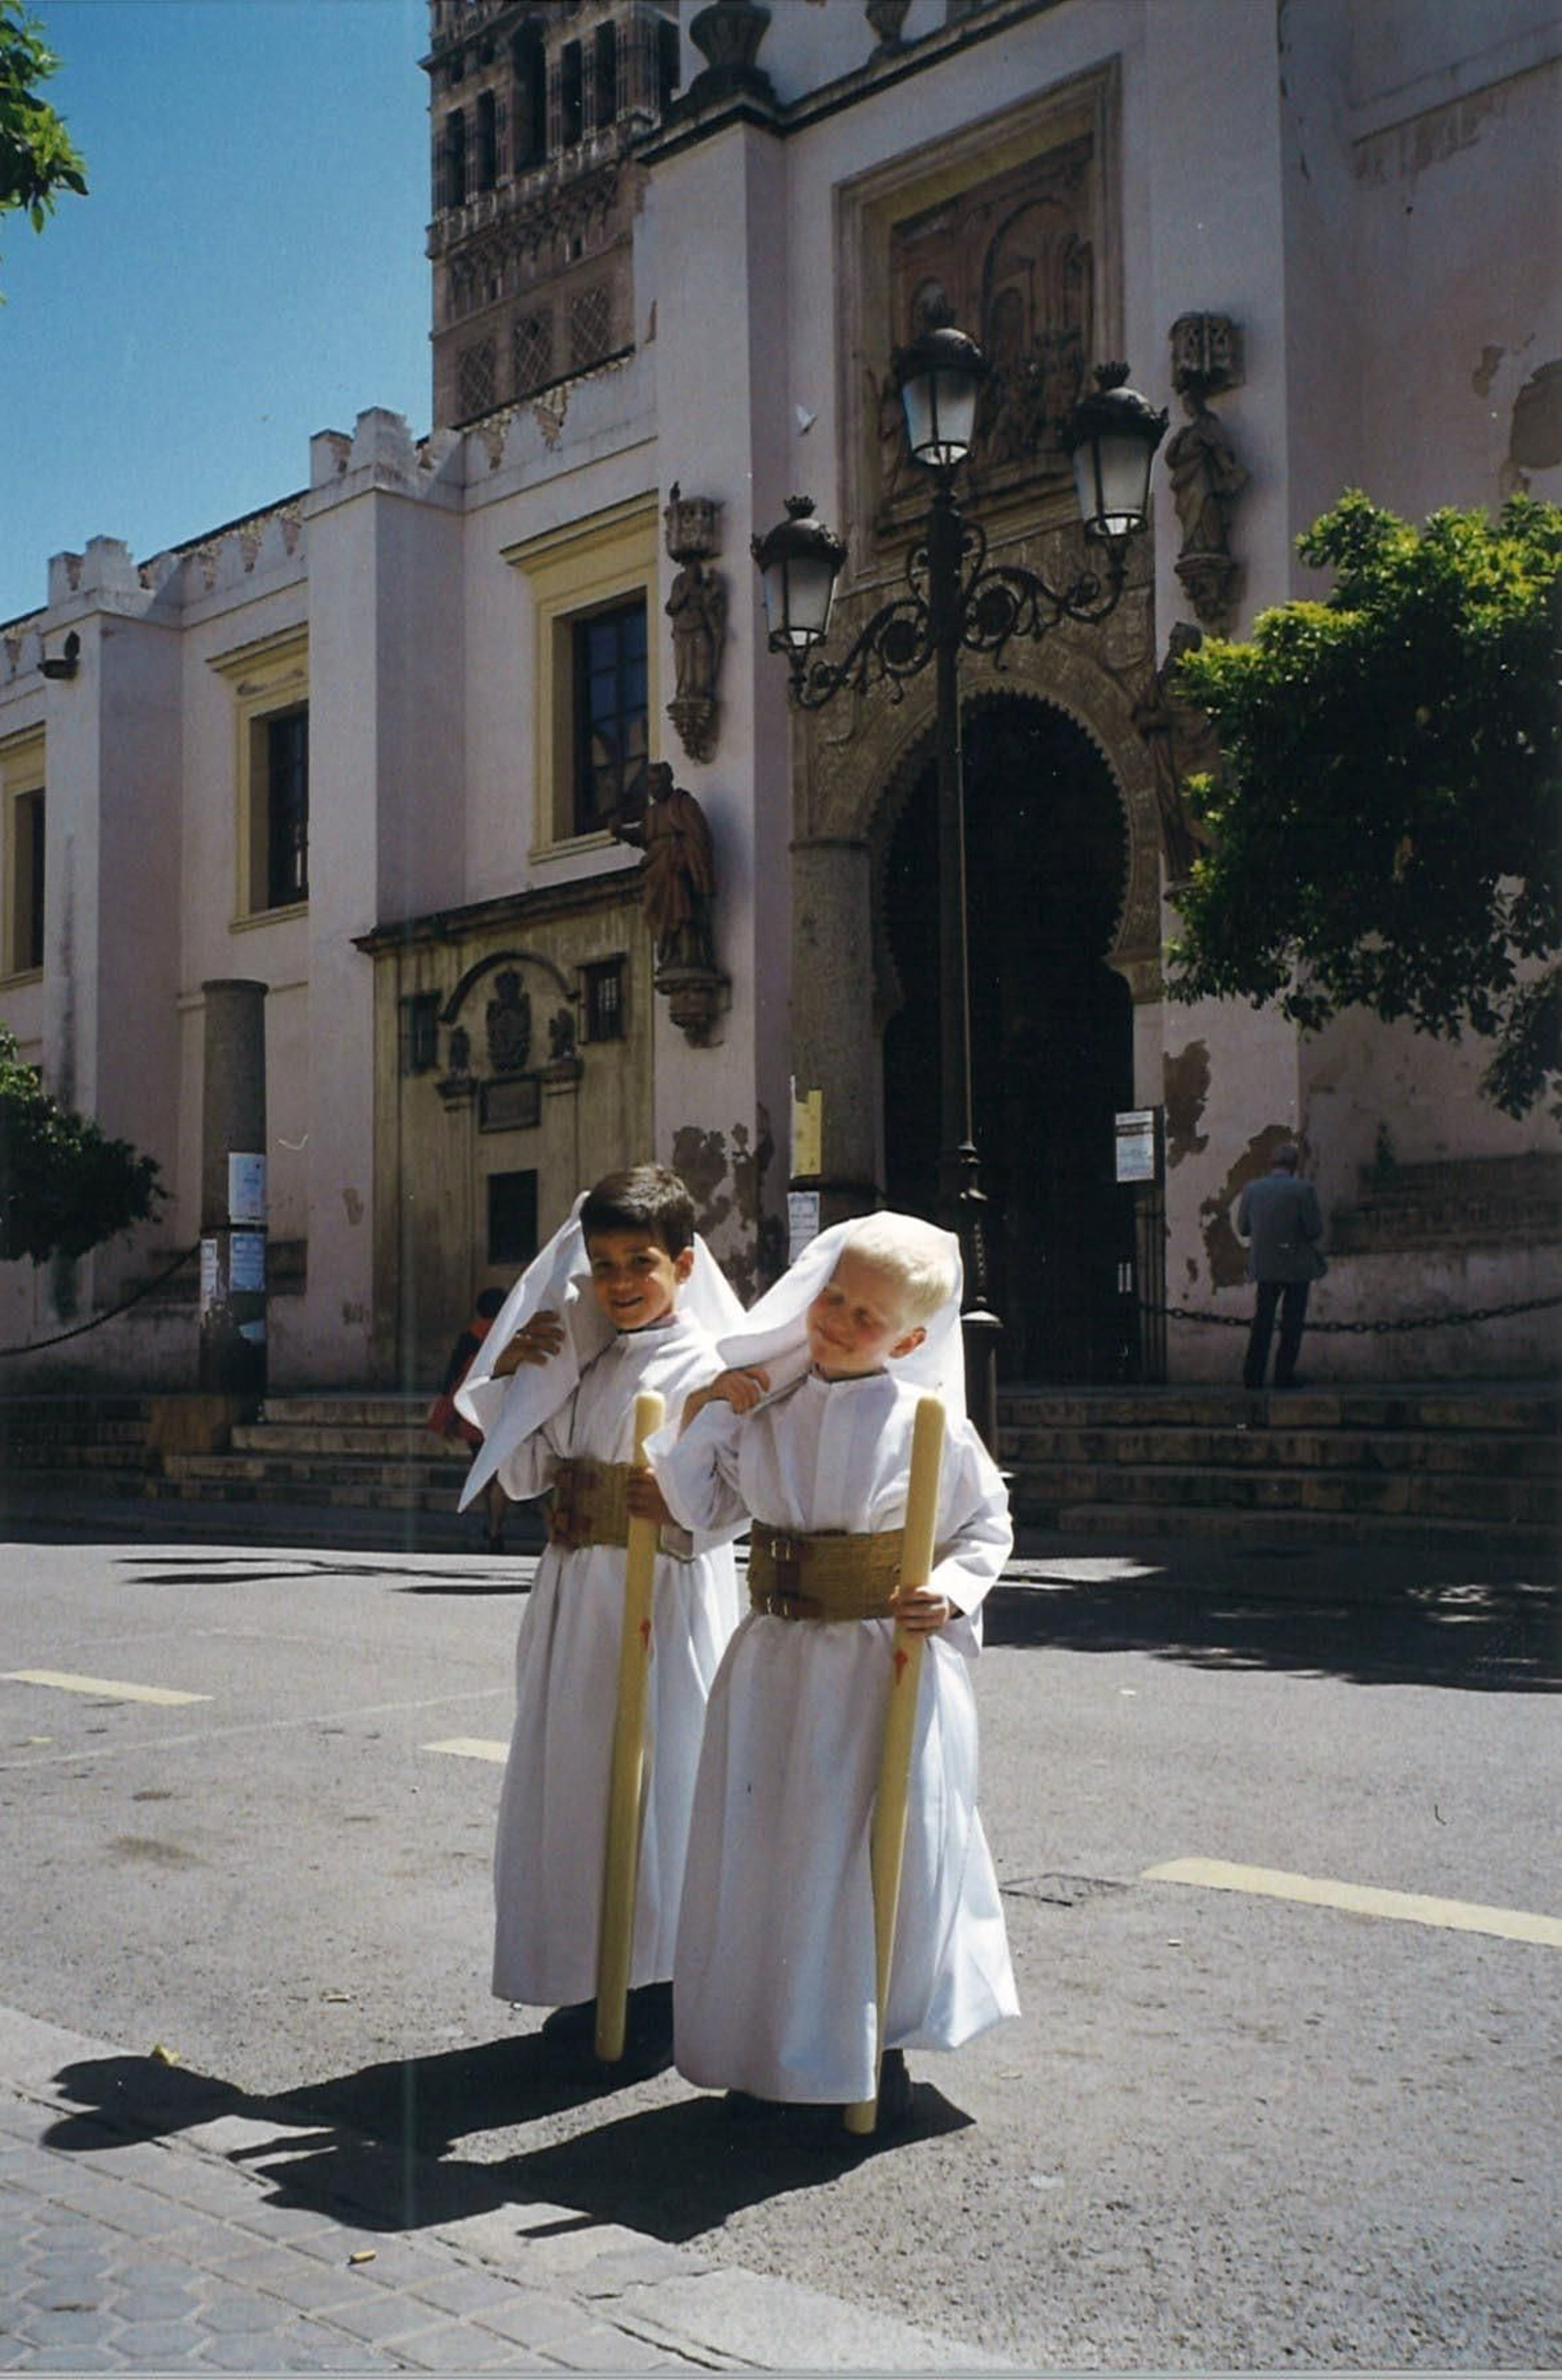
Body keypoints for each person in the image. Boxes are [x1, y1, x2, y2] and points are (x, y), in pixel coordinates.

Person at [640, 1211, 1018, 2133]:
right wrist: (714, 1410)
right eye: (833, 1300)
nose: (838, 1323)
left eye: (866, 1316)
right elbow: (691, 1509)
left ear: (911, 1338)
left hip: (875, 1665)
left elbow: (984, 1527)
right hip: (775, 1662)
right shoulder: (763, 1415)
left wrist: (953, 1593)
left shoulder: (928, 1423)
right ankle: (764, 2045)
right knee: (768, 1850)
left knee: (862, 1852)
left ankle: (868, 2049)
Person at [453, 1167, 745, 2073]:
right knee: (578, 1780)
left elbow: (736, 1496)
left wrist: (681, 1496)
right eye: (605, 1265)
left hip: (661, 1592)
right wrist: (515, 1375)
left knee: (661, 1776)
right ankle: (594, 1971)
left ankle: (658, 1984)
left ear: (685, 1264)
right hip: (577, 1590)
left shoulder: (712, 1363)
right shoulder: (582, 1351)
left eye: (641, 1264)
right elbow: (524, 1475)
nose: (621, 1283)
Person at [1236, 1142, 1327, 1390]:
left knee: (1262, 1321)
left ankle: (1252, 1374)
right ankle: (1283, 1374)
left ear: (1271, 1163)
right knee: (1291, 1322)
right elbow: (1314, 1229)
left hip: (1264, 1266)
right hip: (1296, 1265)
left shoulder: (1252, 1189)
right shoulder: (1303, 1190)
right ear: (1294, 1164)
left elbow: (1243, 1227)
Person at [427, 1286, 510, 1553]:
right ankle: (496, 1526)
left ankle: (494, 1528)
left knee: (485, 1471)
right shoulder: (511, 1334)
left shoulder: (469, 1338)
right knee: (501, 1475)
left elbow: (452, 1375)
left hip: (474, 1413)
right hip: (504, 1411)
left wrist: (444, 1410)